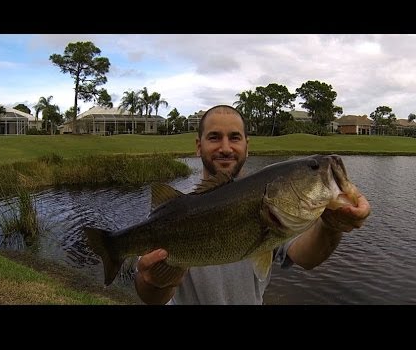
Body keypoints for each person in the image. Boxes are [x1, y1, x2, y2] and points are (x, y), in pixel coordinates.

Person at [134, 104, 371, 305]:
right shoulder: (172, 210)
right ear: (199, 146)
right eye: (214, 137)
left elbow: (307, 258)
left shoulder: (278, 211)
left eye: (235, 137)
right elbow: (151, 297)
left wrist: (332, 225)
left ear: (248, 146)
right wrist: (154, 282)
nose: (225, 148)